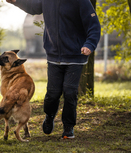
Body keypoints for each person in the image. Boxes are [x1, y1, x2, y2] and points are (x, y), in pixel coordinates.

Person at [6, 0, 101, 139]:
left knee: (70, 92)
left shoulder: (81, 1)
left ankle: (68, 127)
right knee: (52, 93)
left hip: (76, 56)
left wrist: (90, 44)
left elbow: (94, 25)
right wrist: (16, 1)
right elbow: (33, 7)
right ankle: (49, 116)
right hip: (54, 55)